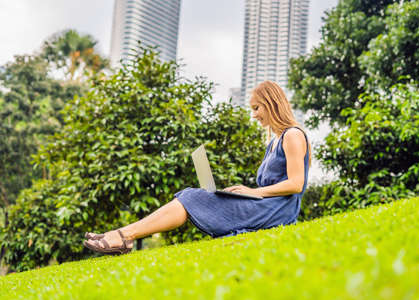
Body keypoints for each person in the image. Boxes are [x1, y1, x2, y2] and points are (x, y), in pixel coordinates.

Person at [83, 81, 311, 255]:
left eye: (257, 108)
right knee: (190, 195)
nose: (254, 115)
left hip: (277, 211)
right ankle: (123, 234)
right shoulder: (273, 142)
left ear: (271, 104)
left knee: (192, 197)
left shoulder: (292, 135)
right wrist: (245, 192)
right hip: (265, 205)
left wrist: (252, 192)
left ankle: (124, 236)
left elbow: (296, 184)